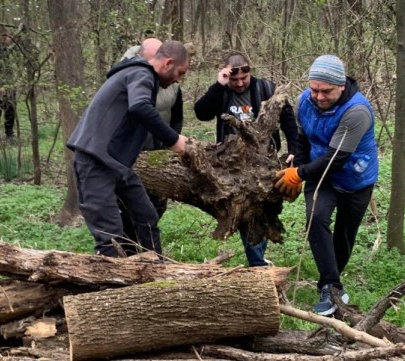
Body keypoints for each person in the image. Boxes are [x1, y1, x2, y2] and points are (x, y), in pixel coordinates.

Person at [274, 54, 378, 315]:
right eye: (314, 89)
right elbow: (302, 138)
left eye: (326, 91)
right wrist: (295, 165)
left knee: (344, 234)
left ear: (341, 86)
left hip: (355, 178)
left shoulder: (357, 111)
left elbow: (336, 158)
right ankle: (331, 287)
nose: (319, 96)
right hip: (322, 176)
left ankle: (331, 279)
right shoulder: (304, 102)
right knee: (315, 217)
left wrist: (299, 173)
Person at [67, 40, 190, 257]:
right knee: (111, 239)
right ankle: (112, 286)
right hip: (95, 162)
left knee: (147, 216)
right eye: (180, 72)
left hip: (117, 164)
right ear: (168, 63)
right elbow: (140, 107)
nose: (179, 79)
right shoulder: (140, 74)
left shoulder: (141, 75)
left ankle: (156, 269)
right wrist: (174, 140)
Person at [194, 53, 297, 267]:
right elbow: (201, 113)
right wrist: (219, 86)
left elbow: (287, 119)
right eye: (234, 80)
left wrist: (293, 149)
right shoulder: (221, 92)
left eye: (244, 78)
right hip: (231, 164)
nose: (240, 84)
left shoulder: (266, 89)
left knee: (265, 209)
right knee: (245, 210)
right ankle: (257, 261)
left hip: (264, 161)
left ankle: (257, 258)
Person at [118, 37, 184, 256]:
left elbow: (176, 117)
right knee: (127, 211)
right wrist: (174, 140)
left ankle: (148, 260)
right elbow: (137, 108)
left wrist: (168, 143)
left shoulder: (171, 86)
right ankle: (129, 254)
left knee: (153, 211)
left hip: (157, 156)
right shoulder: (130, 77)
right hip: (129, 157)